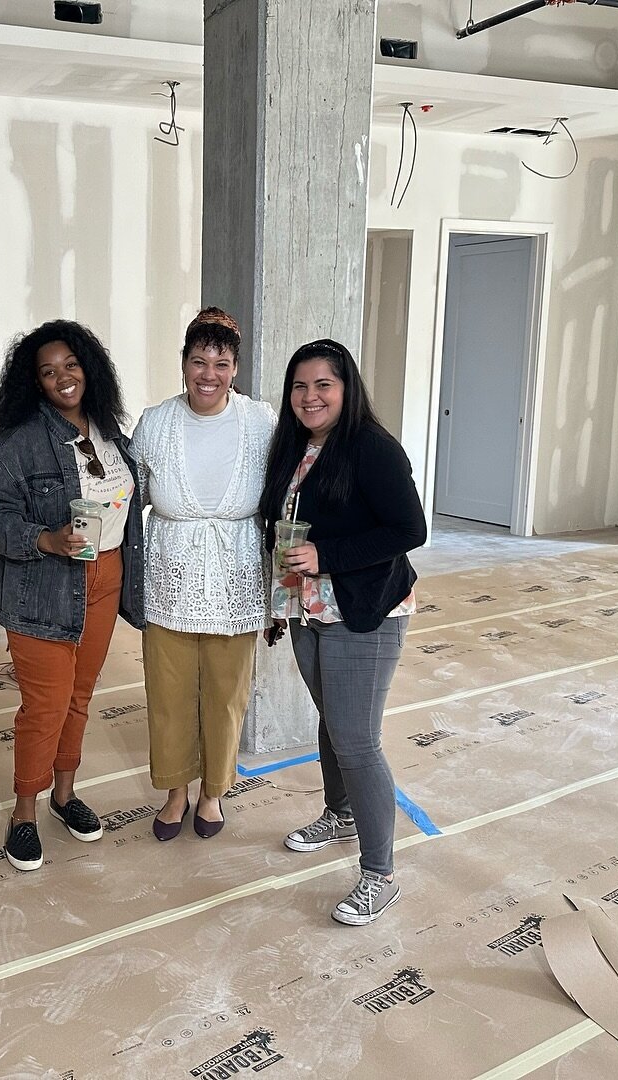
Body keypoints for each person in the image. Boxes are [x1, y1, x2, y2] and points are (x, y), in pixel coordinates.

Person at [262, 338, 426, 925]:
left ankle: (380, 875)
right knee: (333, 722)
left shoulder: (374, 449)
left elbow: (410, 528)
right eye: (300, 386)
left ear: (346, 388)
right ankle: (341, 813)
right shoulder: (296, 447)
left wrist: (324, 555)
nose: (310, 396)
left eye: (323, 385)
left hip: (364, 609)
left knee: (357, 740)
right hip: (307, 608)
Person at [0, 320, 145, 872]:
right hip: (42, 586)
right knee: (44, 707)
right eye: (48, 372)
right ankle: (25, 813)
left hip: (106, 577)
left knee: (79, 697)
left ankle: (64, 797)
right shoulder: (16, 443)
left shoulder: (111, 434)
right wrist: (42, 539)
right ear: (34, 382)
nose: (62, 378)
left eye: (70, 365)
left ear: (89, 368)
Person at [132, 308, 275, 841]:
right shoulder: (155, 421)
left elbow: (286, 493)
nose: (208, 374)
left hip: (237, 577)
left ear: (235, 367)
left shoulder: (261, 421)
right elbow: (132, 497)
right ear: (184, 364)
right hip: (171, 574)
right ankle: (176, 793)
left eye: (221, 362)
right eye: (199, 361)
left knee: (226, 692)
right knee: (168, 694)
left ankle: (213, 794)